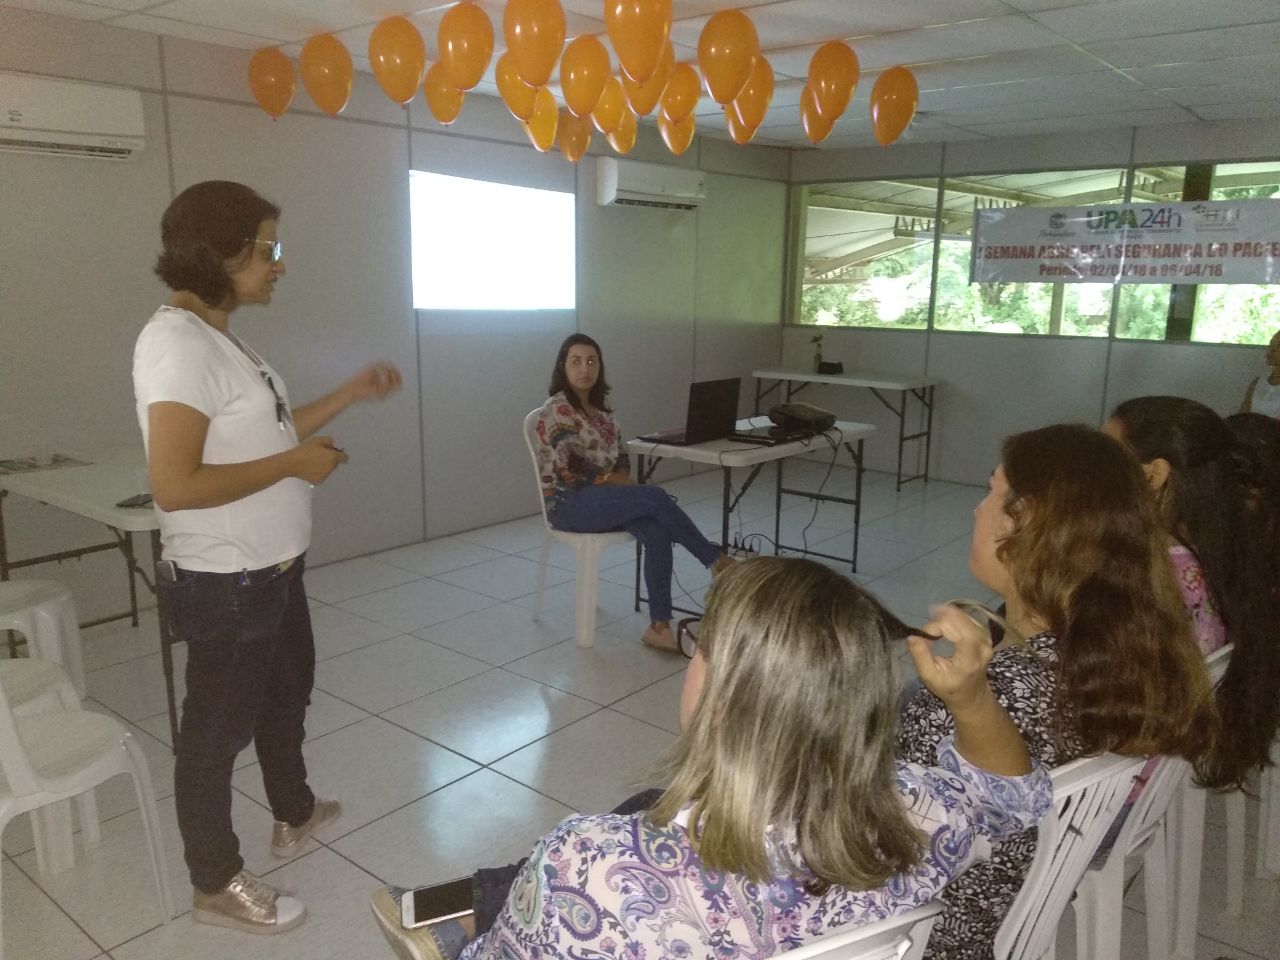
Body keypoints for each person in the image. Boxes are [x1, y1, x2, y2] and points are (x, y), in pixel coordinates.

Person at [372, 556, 1052, 960]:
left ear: (726, 692)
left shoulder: (594, 870)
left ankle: (457, 917)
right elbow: (1011, 798)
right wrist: (970, 697)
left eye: (701, 645)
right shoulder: (916, 815)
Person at [133, 180, 402, 933]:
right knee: (215, 734)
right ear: (218, 253)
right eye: (267, 249)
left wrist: (348, 394)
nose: (278, 264)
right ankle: (214, 881)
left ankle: (294, 810)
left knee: (286, 696)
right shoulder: (177, 344)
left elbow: (273, 430)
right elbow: (174, 484)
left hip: (274, 567)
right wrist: (291, 467)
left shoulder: (221, 338)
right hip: (227, 579)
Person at [897, 423, 1217, 960]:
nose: (977, 509)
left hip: (933, 933)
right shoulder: (1117, 648)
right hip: (1012, 913)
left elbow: (889, 848)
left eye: (991, 492)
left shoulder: (989, 698)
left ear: (1026, 523)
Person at [1106, 398, 1280, 790]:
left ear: (1155, 474)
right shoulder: (1218, 554)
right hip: (1162, 772)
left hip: (1112, 787)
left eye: (1108, 456)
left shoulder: (1149, 577)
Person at [533, 333, 730, 651]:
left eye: (592, 361)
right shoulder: (556, 409)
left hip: (602, 500)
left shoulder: (602, 412)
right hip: (569, 503)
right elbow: (573, 467)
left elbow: (621, 456)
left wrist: (621, 480)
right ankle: (716, 561)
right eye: (576, 361)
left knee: (656, 530)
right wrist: (617, 481)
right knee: (655, 497)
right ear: (562, 366)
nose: (585, 369)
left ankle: (659, 626)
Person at [1240, 329, 1280, 418]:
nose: (1272, 350)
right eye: (1271, 344)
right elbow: (1242, 418)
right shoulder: (1256, 384)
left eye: (1279, 345)